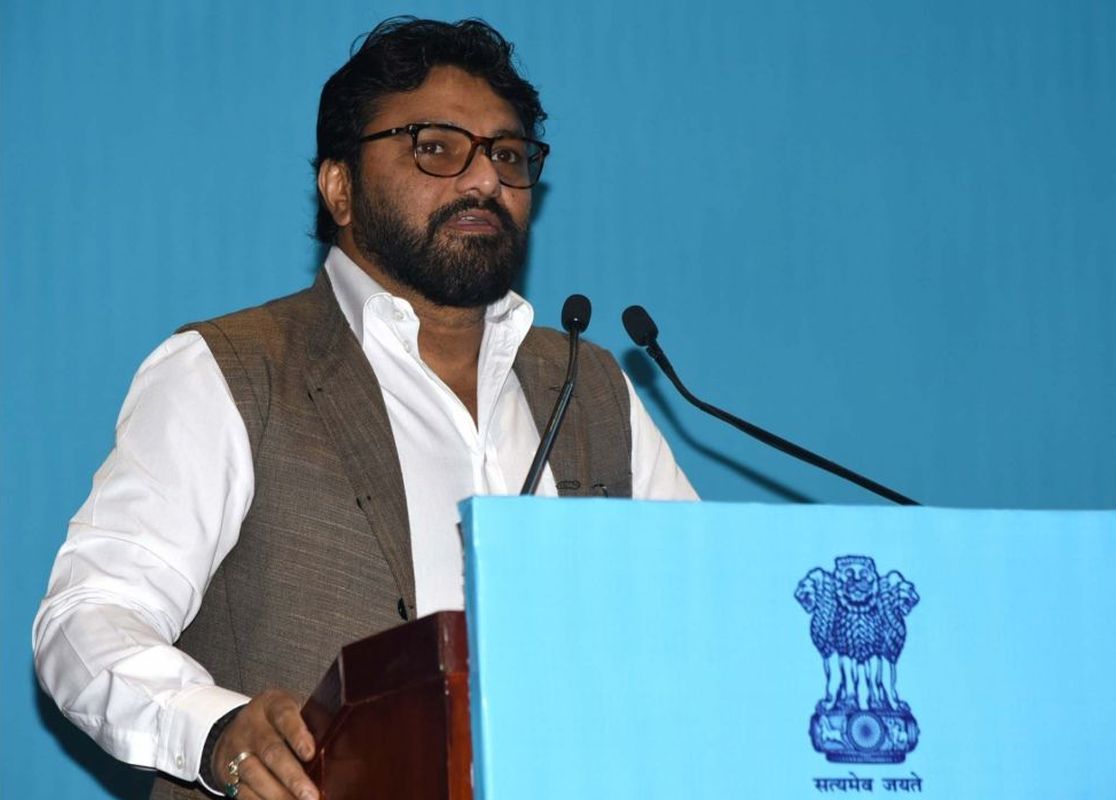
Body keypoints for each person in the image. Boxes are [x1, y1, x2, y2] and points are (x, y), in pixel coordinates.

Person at [33, 17, 696, 800]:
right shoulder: (234, 371)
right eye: (437, 147)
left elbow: (700, 618)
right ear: (339, 187)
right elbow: (88, 617)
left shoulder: (591, 389)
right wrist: (215, 729)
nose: (485, 181)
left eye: (508, 155)